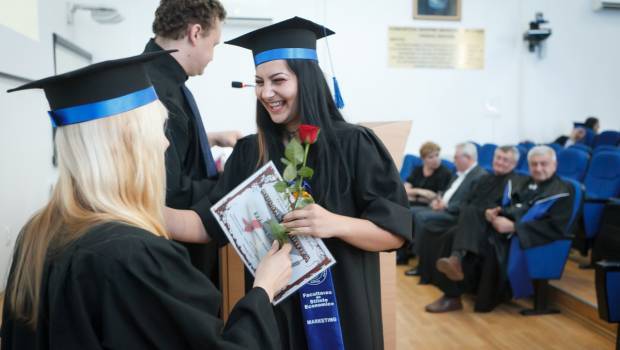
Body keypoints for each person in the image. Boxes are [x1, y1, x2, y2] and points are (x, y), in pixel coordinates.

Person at [1, 52, 292, 349]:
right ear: (129, 143)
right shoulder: (133, 256)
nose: (166, 143)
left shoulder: (37, 234)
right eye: (158, 129)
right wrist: (263, 289)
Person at [186, 17, 410, 350]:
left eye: (278, 80)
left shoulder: (355, 145)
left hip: (345, 317)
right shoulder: (251, 152)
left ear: (307, 81)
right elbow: (208, 224)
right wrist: (130, 207)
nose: (266, 93)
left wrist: (334, 224)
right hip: (275, 314)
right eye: (259, 82)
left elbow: (394, 233)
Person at [144, 0, 241, 282]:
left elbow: (173, 144)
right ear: (195, 33)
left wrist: (208, 139)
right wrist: (231, 183)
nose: (212, 56)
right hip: (173, 259)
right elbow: (169, 192)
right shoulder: (158, 92)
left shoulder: (158, 78)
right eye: (215, 44)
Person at [426, 145, 573, 313]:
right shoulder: (526, 183)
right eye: (534, 164)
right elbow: (517, 207)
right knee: (458, 228)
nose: (538, 169)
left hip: (524, 239)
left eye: (543, 164)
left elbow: (554, 227)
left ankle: (455, 287)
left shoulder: (562, 191)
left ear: (554, 165)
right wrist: (496, 212)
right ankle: (453, 287)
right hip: (502, 231)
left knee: (473, 240)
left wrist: (514, 227)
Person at [416, 145, 525, 309]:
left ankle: (454, 279)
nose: (500, 162)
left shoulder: (516, 182)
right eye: (498, 158)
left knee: (456, 232)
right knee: (439, 233)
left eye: (505, 160)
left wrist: (497, 213)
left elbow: (516, 208)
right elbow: (467, 201)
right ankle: (436, 275)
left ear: (514, 163)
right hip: (472, 226)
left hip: (493, 230)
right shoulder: (485, 179)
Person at [405, 142, 487, 276]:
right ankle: (410, 254)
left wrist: (446, 205)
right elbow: (445, 192)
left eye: (456, 157)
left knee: (420, 216)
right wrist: (439, 200)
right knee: (411, 211)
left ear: (467, 158)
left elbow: (469, 203)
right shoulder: (459, 173)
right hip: (443, 208)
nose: (453, 160)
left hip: (455, 214)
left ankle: (421, 263)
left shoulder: (479, 176)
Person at [397, 141, 452, 265]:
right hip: (414, 203)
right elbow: (405, 190)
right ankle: (402, 251)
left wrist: (415, 192)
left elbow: (436, 197)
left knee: (408, 213)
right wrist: (422, 192)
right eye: (431, 157)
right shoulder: (417, 170)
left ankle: (406, 253)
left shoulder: (445, 172)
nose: (435, 159)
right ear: (423, 159)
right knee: (399, 210)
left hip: (430, 205)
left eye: (437, 155)